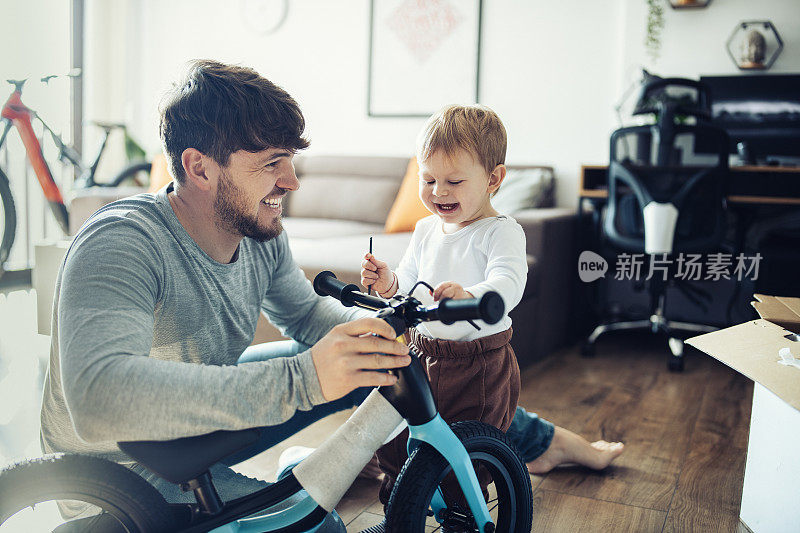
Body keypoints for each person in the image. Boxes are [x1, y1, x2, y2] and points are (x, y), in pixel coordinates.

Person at [38, 60, 618, 528]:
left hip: (196, 433)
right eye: (272, 165)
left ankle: (531, 439)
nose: (292, 182)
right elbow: (97, 397)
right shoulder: (121, 242)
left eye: (291, 162)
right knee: (322, 526)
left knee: (380, 358)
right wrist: (308, 378)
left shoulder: (258, 234)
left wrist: (389, 330)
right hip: (122, 477)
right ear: (199, 167)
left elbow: (310, 317)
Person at [361, 105, 625, 507]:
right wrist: (388, 283)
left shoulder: (500, 233)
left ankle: (465, 512)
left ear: (493, 179)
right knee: (399, 436)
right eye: (428, 179)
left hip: (476, 364)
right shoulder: (425, 228)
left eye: (454, 181)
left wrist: (472, 296)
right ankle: (401, 503)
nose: (438, 192)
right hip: (420, 351)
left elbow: (508, 284)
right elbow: (408, 282)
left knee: (467, 447)